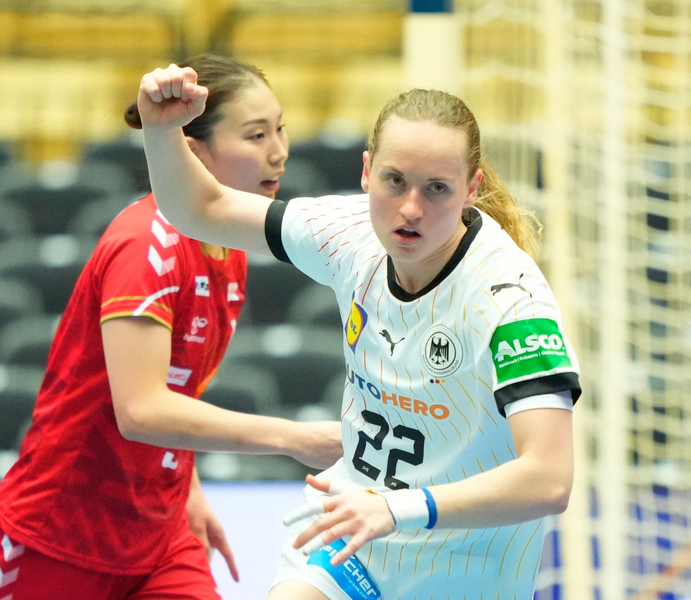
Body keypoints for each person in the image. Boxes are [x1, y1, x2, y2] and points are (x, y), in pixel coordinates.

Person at [136, 63, 580, 600]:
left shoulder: (512, 301)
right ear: (367, 171)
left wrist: (398, 507)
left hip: (461, 569)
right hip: (351, 537)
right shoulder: (348, 234)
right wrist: (161, 131)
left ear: (471, 189)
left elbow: (550, 479)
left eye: (437, 189)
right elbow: (203, 208)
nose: (411, 209)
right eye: (395, 181)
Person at [0, 55, 342, 600]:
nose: (278, 151)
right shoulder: (146, 247)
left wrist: (188, 489)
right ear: (191, 147)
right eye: (254, 135)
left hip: (160, 533)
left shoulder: (228, 247)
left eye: (280, 129)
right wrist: (295, 437)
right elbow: (143, 411)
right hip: (62, 535)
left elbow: (177, 390)